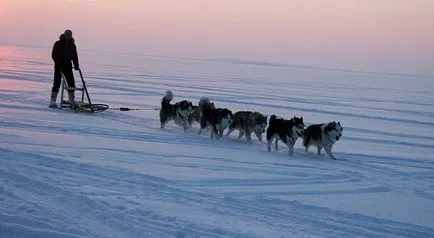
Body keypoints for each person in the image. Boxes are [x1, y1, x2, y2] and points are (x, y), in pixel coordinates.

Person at [49, 29, 80, 108]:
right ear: (64, 35)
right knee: (57, 83)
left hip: (68, 66)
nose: (68, 37)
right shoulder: (58, 43)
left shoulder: (72, 45)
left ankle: (71, 100)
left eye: (70, 36)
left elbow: (74, 56)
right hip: (58, 66)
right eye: (67, 35)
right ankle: (52, 101)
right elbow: (54, 55)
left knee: (71, 83)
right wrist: (57, 62)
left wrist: (76, 65)